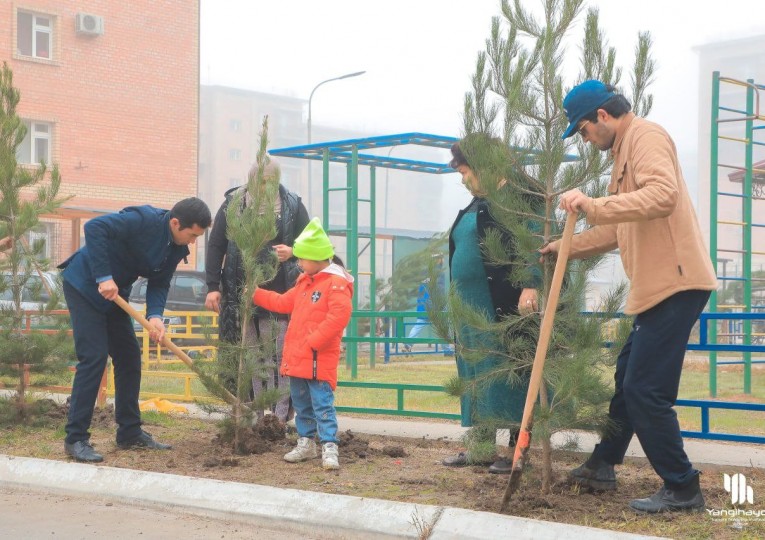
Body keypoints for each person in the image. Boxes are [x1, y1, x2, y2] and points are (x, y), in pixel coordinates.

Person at [540, 80, 717, 513]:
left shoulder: (646, 136)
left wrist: (593, 203)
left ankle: (682, 486)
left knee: (644, 391)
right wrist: (563, 246)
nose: (585, 140)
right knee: (627, 381)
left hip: (676, 284)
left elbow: (662, 195)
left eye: (582, 130)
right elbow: (616, 228)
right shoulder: (622, 154)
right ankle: (603, 464)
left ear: (602, 115)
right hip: (656, 289)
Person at [59, 197, 212, 463]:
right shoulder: (143, 220)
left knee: (129, 358)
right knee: (94, 358)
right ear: (176, 223)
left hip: (116, 295)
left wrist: (155, 316)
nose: (193, 241)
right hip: (85, 285)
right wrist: (103, 276)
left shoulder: (175, 247)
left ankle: (129, 432)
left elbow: (160, 283)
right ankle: (76, 438)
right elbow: (95, 228)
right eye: (192, 234)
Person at [442, 136, 541, 474]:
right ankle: (481, 448)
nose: (463, 178)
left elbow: (536, 240)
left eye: (466, 171)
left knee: (508, 370)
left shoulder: (519, 199)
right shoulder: (478, 202)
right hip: (470, 306)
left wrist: (532, 283)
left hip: (501, 302)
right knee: (476, 374)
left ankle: (518, 452)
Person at [205, 159, 309, 422]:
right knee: (250, 356)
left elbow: (313, 243)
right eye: (259, 181)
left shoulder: (292, 205)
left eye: (268, 182)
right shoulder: (233, 204)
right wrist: (212, 287)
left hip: (282, 296)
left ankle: (280, 416)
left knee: (279, 355)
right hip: (243, 294)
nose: (264, 187)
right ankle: (253, 412)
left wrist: (294, 251)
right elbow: (216, 245)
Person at [251, 217, 353, 470]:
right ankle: (306, 443)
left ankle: (330, 446)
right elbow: (283, 303)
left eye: (301, 259)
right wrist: (255, 293)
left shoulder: (336, 283)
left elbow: (339, 316)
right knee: (302, 402)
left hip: (318, 358)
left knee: (322, 403)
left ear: (316, 258)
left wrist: (314, 342)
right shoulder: (305, 282)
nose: (298, 263)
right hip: (299, 357)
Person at [402, 279, 429, 354]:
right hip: (434, 312)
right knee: (444, 329)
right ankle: (448, 349)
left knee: (417, 328)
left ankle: (408, 345)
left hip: (423, 311)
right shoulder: (437, 281)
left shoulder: (422, 285)